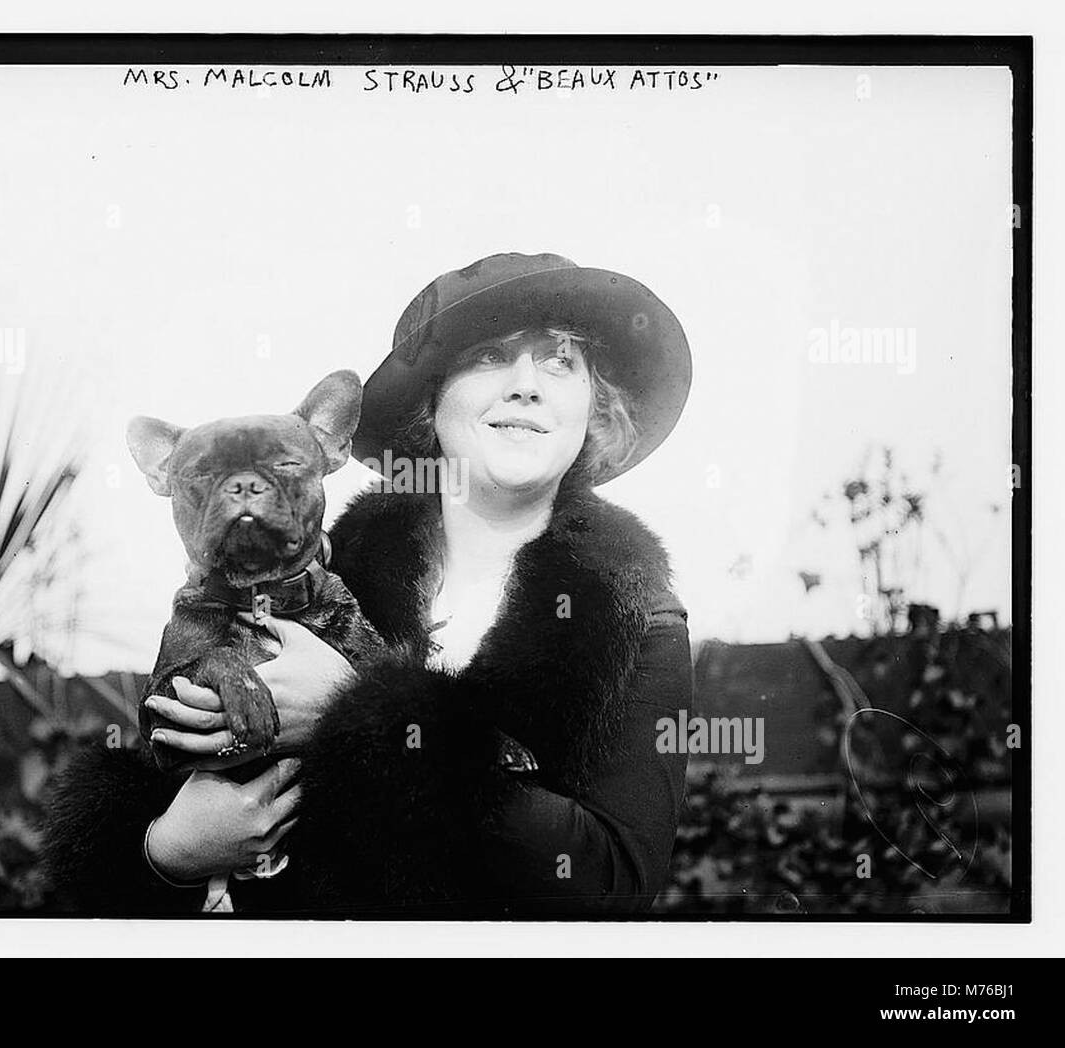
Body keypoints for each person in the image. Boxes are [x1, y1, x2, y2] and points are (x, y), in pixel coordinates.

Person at [43, 252, 694, 916]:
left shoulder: (635, 611)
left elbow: (615, 881)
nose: (526, 383)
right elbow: (176, 789)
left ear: (595, 406)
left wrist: (356, 713)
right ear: (431, 400)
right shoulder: (315, 569)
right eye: (489, 356)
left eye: (560, 361)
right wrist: (164, 854)